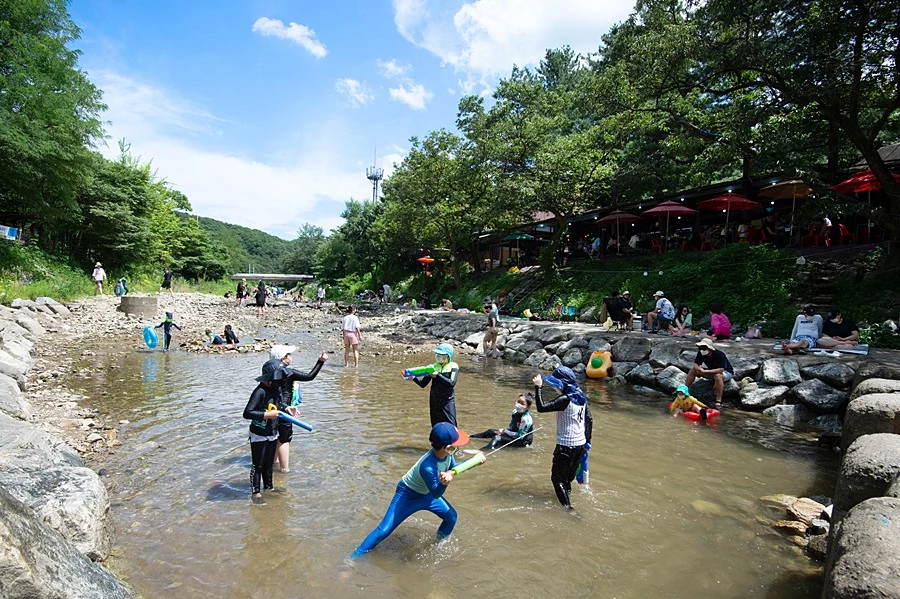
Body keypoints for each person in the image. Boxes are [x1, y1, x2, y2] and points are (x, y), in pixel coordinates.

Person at [351, 422, 469, 559]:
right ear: (448, 447)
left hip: (427, 493)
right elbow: (437, 493)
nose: (458, 446)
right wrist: (445, 481)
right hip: (408, 494)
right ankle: (353, 559)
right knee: (384, 530)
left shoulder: (448, 455)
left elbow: (454, 467)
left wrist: (475, 461)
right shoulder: (428, 466)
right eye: (456, 444)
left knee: (451, 517)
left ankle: (438, 544)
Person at [532, 366, 592, 510]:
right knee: (567, 479)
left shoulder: (565, 399)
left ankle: (568, 509)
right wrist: (587, 442)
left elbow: (541, 408)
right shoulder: (581, 396)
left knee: (557, 479)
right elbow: (589, 419)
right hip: (580, 445)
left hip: (565, 446)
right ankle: (566, 497)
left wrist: (538, 387)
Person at [267, 345, 328, 474]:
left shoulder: (269, 371)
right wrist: (320, 362)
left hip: (272, 409)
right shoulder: (288, 372)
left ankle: (274, 463)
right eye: (289, 354)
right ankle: (284, 470)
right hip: (285, 411)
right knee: (284, 439)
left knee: (276, 436)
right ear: (283, 358)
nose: (291, 356)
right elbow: (309, 376)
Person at [242, 361, 284, 503]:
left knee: (268, 464)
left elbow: (281, 404)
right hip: (258, 434)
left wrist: (287, 409)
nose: (279, 382)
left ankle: (269, 487)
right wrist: (266, 415)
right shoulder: (260, 391)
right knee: (258, 464)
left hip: (272, 432)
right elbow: (247, 413)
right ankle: (256, 492)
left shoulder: (276, 389)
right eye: (276, 379)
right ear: (268, 379)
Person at [411, 343, 459, 427]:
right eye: (437, 355)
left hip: (447, 400)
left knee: (451, 424)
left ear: (448, 356)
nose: (438, 357)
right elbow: (423, 384)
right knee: (436, 424)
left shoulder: (453, 366)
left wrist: (438, 375)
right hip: (434, 400)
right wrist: (413, 378)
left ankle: (454, 438)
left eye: (441, 355)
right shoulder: (432, 367)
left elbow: (452, 383)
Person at [470, 392, 534, 450]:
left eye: (522, 403)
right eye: (518, 401)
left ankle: (484, 450)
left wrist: (504, 431)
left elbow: (520, 436)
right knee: (491, 432)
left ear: (528, 407)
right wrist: (504, 433)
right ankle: (470, 437)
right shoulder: (515, 412)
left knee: (497, 438)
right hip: (513, 435)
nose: (518, 404)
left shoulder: (525, 419)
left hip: (522, 441)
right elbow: (511, 426)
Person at [684, 338, 734, 408]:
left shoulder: (719, 354)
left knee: (718, 376)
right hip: (711, 371)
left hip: (726, 372)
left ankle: (718, 399)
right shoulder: (701, 353)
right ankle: (684, 389)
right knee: (693, 370)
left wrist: (705, 371)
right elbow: (696, 364)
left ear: (709, 348)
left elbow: (721, 369)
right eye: (700, 348)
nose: (701, 350)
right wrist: (699, 369)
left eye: (704, 348)